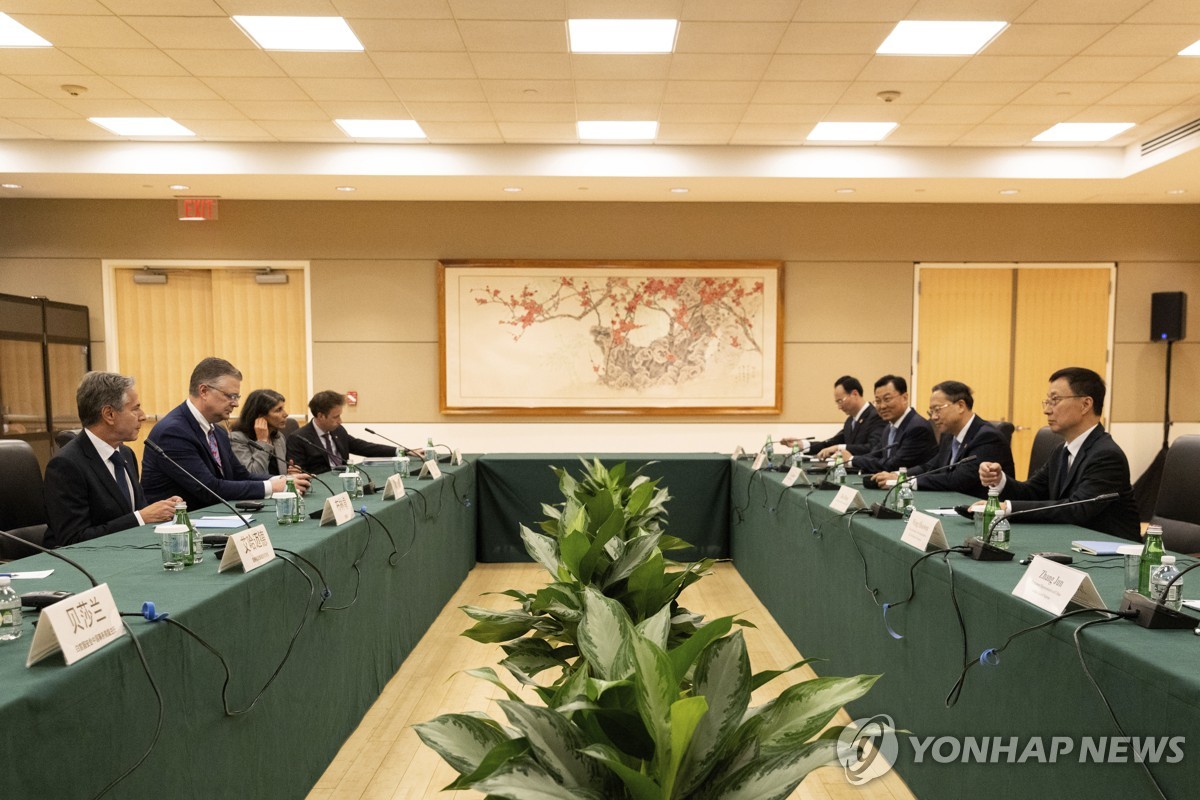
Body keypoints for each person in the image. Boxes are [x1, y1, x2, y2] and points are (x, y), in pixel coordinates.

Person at [977, 366, 1139, 540]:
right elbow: (1032, 492)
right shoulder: (1061, 451)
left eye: (1055, 400)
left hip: (1110, 549)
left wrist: (1007, 508)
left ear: (1085, 405)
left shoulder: (1106, 455)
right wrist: (999, 480)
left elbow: (1077, 509)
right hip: (1072, 541)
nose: (1047, 410)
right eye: (1047, 401)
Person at [142, 357, 310, 509]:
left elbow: (239, 475)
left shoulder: (218, 431)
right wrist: (271, 487)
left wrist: (282, 480)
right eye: (231, 396)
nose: (235, 404)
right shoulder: (173, 432)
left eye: (237, 397)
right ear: (204, 391)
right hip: (175, 525)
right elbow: (209, 489)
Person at [43, 372, 181, 548]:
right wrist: (141, 518)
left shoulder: (126, 454)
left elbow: (134, 512)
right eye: (135, 409)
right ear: (109, 414)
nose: (143, 416)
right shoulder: (66, 465)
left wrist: (163, 509)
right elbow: (73, 540)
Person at [869, 380, 1013, 498]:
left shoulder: (987, 437)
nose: (933, 417)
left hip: (983, 512)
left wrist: (905, 481)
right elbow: (931, 467)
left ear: (960, 406)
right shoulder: (949, 435)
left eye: (937, 409)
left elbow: (957, 479)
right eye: (931, 411)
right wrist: (898, 475)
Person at [842, 374, 937, 474]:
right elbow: (875, 454)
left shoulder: (917, 428)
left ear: (904, 398)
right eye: (878, 401)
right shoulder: (889, 427)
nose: (882, 406)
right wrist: (850, 459)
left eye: (887, 399)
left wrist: (852, 460)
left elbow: (894, 465)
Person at [287, 390, 397, 474]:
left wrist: (398, 451)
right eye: (336, 417)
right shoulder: (298, 438)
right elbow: (299, 473)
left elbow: (362, 447)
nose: (340, 421)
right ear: (320, 416)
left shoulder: (338, 430)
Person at [782, 375, 885, 459]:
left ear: (854, 394)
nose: (839, 407)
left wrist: (839, 448)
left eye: (840, 401)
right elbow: (831, 444)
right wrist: (802, 444)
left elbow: (872, 448)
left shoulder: (876, 416)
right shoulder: (850, 421)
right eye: (837, 402)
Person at [229, 389, 292, 475]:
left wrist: (289, 475)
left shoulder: (278, 437)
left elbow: (279, 475)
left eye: (283, 408)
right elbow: (253, 475)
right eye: (278, 410)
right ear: (260, 416)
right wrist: (262, 441)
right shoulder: (236, 439)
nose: (285, 414)